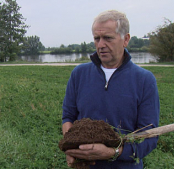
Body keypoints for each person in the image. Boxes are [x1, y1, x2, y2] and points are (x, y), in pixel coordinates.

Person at [62, 10, 160, 169]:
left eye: (108, 38)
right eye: (97, 38)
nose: (100, 45)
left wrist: (114, 152)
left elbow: (149, 137)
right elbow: (68, 117)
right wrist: (71, 149)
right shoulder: (79, 74)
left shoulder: (144, 80)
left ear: (125, 39)